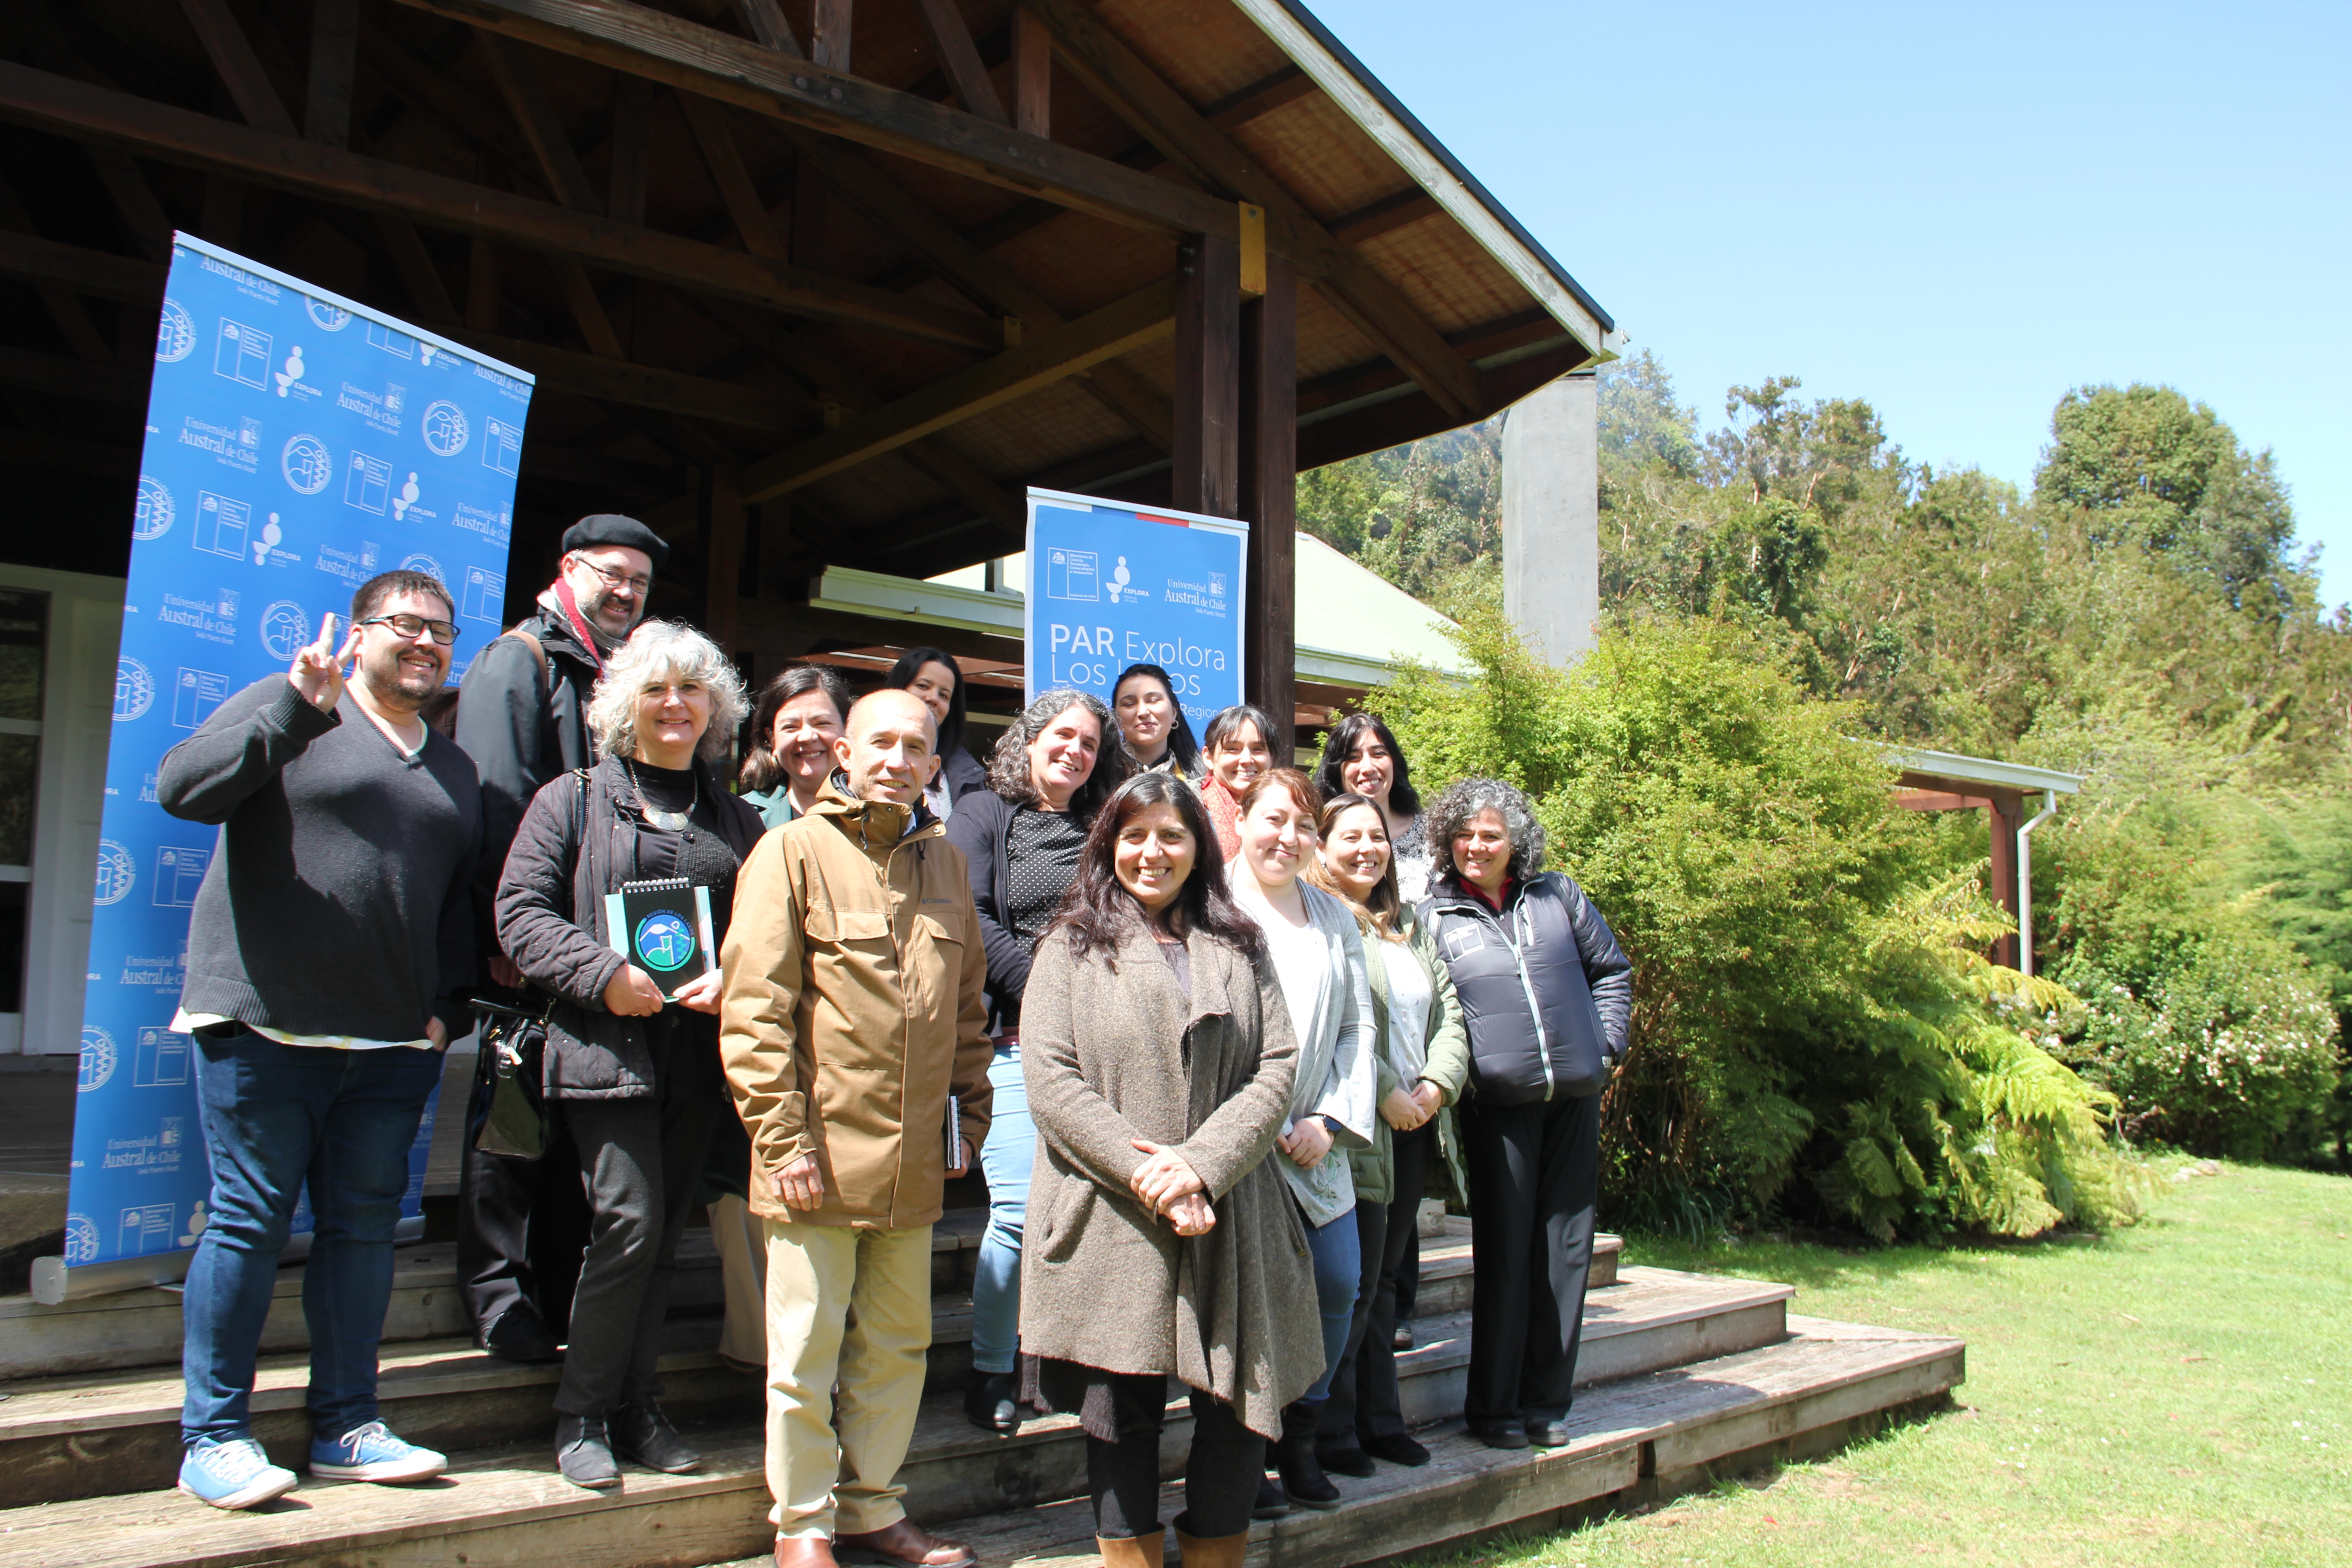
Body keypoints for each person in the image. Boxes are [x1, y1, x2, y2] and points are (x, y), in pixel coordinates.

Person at [158, 570, 479, 1509]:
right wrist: (294, 712)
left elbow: (457, 905)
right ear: (362, 633)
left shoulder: (453, 767)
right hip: (264, 1026)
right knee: (250, 1225)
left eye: (442, 633)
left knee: (364, 1235)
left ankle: (346, 1424)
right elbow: (185, 790)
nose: (425, 645)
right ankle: (212, 1436)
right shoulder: (298, 705)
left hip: (387, 1052)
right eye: (406, 627)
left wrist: (445, 1013)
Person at [1019, 772, 1323, 1568]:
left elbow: (1275, 1066)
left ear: (1199, 846)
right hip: (1111, 1214)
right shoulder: (1068, 946)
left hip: (1230, 1206)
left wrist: (1199, 1166)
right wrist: (1150, 1173)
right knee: (1120, 1409)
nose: (1151, 852)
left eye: (1171, 835)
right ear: (1108, 844)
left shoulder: (1237, 944)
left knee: (1233, 1402)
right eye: (1134, 835)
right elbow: (1051, 1083)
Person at [720, 688, 993, 1568]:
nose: (897, 760)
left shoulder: (946, 866)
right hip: (816, 1159)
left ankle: (873, 1506)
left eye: (916, 748)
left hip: (914, 1163)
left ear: (930, 764)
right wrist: (781, 1138)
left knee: (897, 1345)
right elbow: (756, 1014)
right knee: (804, 1351)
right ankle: (802, 1523)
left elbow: (966, 1017)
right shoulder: (789, 853)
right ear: (843, 753)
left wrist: (970, 1124)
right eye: (880, 743)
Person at [495, 623, 763, 1488]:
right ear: (624, 707)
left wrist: (734, 974)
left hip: (696, 1058)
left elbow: (768, 931)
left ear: (713, 710)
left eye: (692, 689)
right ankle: (581, 1413)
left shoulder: (737, 818)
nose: (675, 704)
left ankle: (636, 1405)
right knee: (629, 1222)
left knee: (659, 1238)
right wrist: (603, 974)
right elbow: (520, 911)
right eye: (656, 690)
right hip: (601, 1049)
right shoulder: (569, 800)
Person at [454, 512, 668, 1363]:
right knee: (508, 1122)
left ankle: (553, 1294)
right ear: (568, 568)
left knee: (568, 1127)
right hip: (528, 941)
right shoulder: (522, 660)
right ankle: (496, 1300)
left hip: (599, 953)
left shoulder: (620, 671)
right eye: (611, 575)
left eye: (640, 584)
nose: (624, 593)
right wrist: (500, 935)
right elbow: (492, 808)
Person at [1416, 778, 1632, 1451]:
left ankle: (1547, 1404)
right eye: (1465, 835)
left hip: (1573, 1102)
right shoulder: (1434, 916)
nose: (1477, 846)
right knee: (1506, 1261)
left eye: (1491, 835)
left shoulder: (1557, 896)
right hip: (1499, 1112)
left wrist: (1606, 1047)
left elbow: (1612, 972)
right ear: (1447, 842)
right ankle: (1495, 1411)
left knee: (1565, 1255)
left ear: (1516, 843)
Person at [942, 689, 1127, 1435]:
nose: (1075, 751)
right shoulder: (983, 812)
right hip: (1010, 1040)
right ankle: (990, 1368)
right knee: (1018, 1214)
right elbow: (967, 911)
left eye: (1088, 743)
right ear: (1028, 738)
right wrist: (1039, 989)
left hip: (1099, 1045)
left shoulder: (1104, 825)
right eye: (1062, 736)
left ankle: (1072, 1363)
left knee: (1093, 1210)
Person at [1303, 793, 1470, 1476]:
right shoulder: (1317, 918)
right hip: (1357, 1128)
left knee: (1385, 1286)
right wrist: (1388, 1094)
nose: (1368, 847)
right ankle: (1333, 1431)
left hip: (1415, 1124)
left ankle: (1380, 1420)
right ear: (1323, 845)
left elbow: (1451, 1014)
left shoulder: (1409, 924)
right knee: (1357, 1286)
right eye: (1351, 836)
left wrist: (1436, 1085)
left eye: (1377, 836)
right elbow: (1336, 1026)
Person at [1224, 768, 1376, 1513]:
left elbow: (1357, 1027)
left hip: (1314, 1144)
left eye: (1302, 825)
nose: (1286, 835)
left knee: (1336, 1284)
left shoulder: (1331, 916)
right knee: (1249, 1303)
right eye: (1272, 818)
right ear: (1240, 818)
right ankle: (1243, 1454)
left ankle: (1300, 1436)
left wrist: (1329, 1119)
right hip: (1235, 1146)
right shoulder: (1208, 903)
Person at [1316, 713, 1429, 903]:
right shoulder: (1313, 836)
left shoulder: (1432, 834)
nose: (1368, 767)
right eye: (1353, 757)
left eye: (1379, 754)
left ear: (1394, 762)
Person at [739, 664, 855, 831]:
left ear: (847, 730)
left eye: (822, 723)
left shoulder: (878, 814)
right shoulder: (743, 817)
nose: (807, 737)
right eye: (791, 726)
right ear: (772, 739)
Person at [887, 646, 990, 821]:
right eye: (923, 686)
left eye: (944, 695)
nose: (933, 698)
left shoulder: (970, 777)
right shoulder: (863, 754)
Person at [1196, 704, 1278, 860]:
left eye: (1258, 749)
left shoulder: (1287, 804)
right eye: (1233, 749)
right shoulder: (1188, 804)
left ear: (1271, 758)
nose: (1247, 760)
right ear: (1209, 757)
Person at [1110, 662, 1200, 779]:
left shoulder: (1204, 782)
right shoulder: (1097, 779)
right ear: (1116, 717)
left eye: (1153, 700)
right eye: (1129, 704)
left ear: (1174, 713)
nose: (1142, 712)